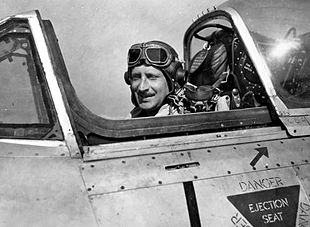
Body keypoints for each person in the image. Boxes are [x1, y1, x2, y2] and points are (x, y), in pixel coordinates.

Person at [124, 40, 186, 118]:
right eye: (136, 78)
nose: (142, 88)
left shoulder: (190, 119)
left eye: (152, 77)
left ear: (173, 81)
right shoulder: (129, 122)